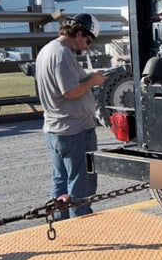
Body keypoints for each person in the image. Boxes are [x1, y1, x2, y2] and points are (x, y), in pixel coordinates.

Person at [34, 13, 108, 219]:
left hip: (55, 129)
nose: (87, 47)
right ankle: (81, 227)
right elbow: (70, 92)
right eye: (87, 41)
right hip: (74, 131)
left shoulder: (47, 50)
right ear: (78, 33)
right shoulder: (63, 54)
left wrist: (89, 77)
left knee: (61, 181)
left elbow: (65, 85)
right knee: (81, 184)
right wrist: (92, 82)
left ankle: (61, 226)